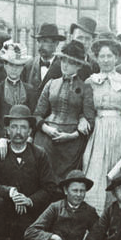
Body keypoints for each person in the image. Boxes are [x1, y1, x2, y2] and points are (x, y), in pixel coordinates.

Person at [0, 104, 61, 240]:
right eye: (14, 127)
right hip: (6, 208)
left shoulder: (39, 154)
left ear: (30, 131)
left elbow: (50, 188)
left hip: (31, 210)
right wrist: (11, 192)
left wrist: (29, 200)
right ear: (7, 130)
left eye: (23, 127)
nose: (18, 132)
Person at [82, 35, 121, 213]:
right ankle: (95, 218)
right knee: (94, 173)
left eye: (110, 56)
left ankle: (118, 219)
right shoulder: (90, 82)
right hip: (97, 132)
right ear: (97, 58)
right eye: (102, 56)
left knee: (117, 176)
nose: (106, 60)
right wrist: (83, 118)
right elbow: (84, 108)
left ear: (116, 58)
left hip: (118, 133)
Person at [31, 40, 94, 174]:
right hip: (46, 137)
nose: (65, 65)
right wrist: (47, 129)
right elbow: (37, 114)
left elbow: (90, 121)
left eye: (70, 62)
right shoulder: (51, 84)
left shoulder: (85, 88)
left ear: (78, 66)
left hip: (72, 141)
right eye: (63, 60)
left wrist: (71, 136)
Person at [0, 41, 37, 139]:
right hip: (3, 139)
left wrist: (29, 137)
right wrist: (3, 137)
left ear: (23, 67)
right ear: (5, 66)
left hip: (25, 138)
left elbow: (34, 117)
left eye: (18, 65)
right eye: (11, 65)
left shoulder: (30, 90)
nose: (14, 69)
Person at [37, 17, 98, 93]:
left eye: (87, 39)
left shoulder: (95, 67)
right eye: (79, 37)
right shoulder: (59, 65)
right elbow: (43, 92)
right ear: (72, 38)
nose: (83, 42)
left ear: (92, 41)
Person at [23, 23, 66, 91]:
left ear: (56, 43)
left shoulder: (63, 68)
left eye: (45, 41)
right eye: (38, 41)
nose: (40, 45)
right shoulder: (28, 66)